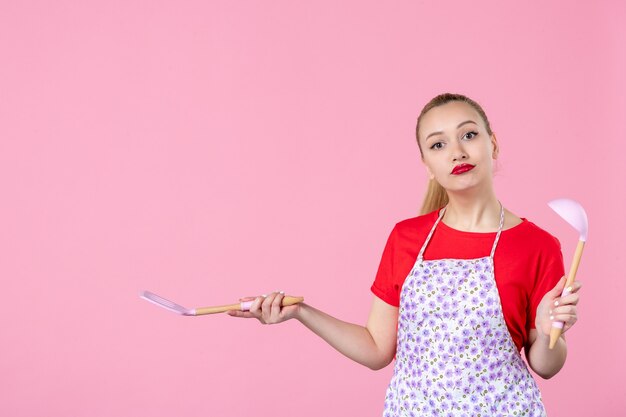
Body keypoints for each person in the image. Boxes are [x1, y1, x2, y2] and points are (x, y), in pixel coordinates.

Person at [226, 93, 582, 416]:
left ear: (493, 143)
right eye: (438, 144)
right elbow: (377, 349)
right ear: (427, 166)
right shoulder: (406, 238)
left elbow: (546, 364)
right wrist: (301, 312)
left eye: (469, 135)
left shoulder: (538, 245)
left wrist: (552, 330)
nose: (457, 151)